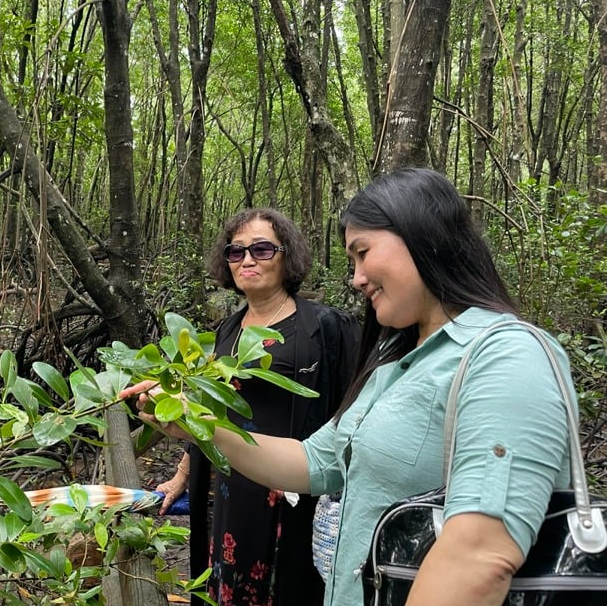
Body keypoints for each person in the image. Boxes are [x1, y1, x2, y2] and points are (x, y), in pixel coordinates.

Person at [123, 168, 575, 606]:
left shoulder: (506, 355)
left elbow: (481, 557)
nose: (356, 278)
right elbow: (312, 460)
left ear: (423, 238)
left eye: (363, 252)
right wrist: (193, 419)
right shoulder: (395, 365)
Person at [155, 208, 359, 606]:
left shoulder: (326, 327)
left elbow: (355, 410)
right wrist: (181, 476)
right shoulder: (226, 331)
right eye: (236, 251)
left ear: (287, 257)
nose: (248, 260)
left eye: (262, 249)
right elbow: (208, 412)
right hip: (234, 494)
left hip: (299, 492)